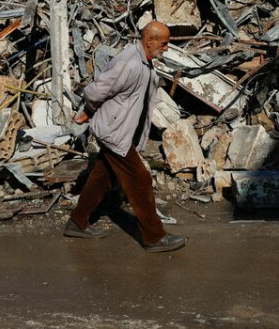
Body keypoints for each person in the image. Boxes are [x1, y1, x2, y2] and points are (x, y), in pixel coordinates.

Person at [63, 20, 187, 253]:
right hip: (113, 132)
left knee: (102, 177)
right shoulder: (130, 62)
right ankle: (154, 237)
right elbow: (96, 91)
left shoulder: (144, 61)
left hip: (119, 130)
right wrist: (89, 110)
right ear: (149, 41)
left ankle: (77, 223)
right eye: (164, 43)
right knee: (139, 180)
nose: (167, 48)